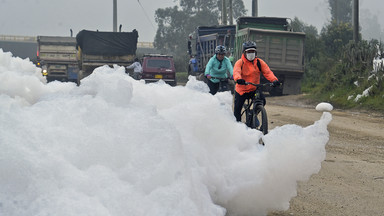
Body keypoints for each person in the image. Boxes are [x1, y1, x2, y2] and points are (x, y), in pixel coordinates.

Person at [233, 41, 280, 122]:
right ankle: (237, 128)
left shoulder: (259, 62)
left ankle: (253, 113)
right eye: (248, 52)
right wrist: (238, 79)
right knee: (237, 110)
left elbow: (268, 72)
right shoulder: (240, 62)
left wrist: (274, 80)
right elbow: (236, 72)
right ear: (244, 52)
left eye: (253, 52)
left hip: (253, 89)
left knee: (262, 101)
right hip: (242, 90)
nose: (251, 54)